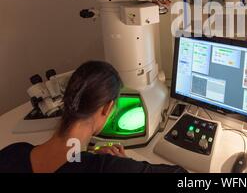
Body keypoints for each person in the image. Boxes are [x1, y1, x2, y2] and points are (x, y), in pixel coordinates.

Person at [0, 61, 187, 173]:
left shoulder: (12, 153)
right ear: (107, 108)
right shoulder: (106, 168)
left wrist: (89, 159)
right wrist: (126, 165)